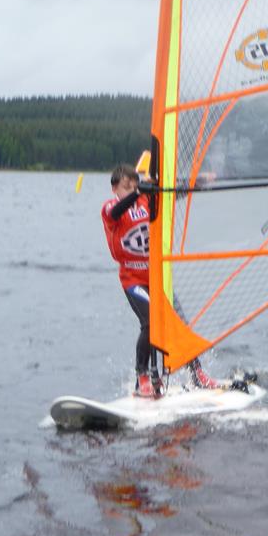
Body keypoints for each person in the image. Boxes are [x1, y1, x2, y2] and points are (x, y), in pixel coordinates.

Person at [101, 163, 218, 398]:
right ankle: (142, 376)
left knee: (179, 322)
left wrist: (198, 182)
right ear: (115, 188)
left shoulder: (148, 200)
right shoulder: (110, 207)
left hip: (158, 278)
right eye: (126, 186)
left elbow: (172, 193)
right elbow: (116, 213)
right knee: (151, 321)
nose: (132, 189)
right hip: (133, 280)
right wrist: (139, 191)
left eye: (135, 184)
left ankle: (196, 374)